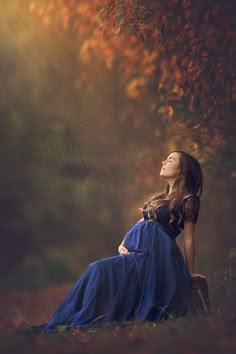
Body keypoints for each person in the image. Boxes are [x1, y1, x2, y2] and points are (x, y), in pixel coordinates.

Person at [18, 150, 205, 334]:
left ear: (182, 169)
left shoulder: (188, 200)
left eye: (170, 159)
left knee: (97, 269)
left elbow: (189, 238)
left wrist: (189, 273)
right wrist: (125, 241)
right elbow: (144, 221)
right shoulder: (160, 198)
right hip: (139, 254)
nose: (164, 161)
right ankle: (67, 320)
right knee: (95, 269)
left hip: (156, 260)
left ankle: (84, 319)